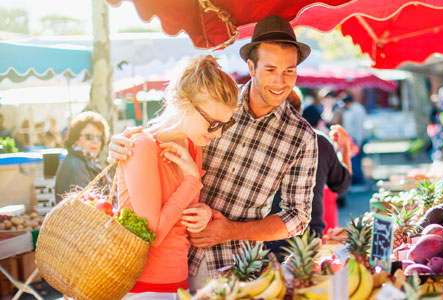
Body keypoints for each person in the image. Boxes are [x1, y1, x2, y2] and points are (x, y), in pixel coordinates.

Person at [107, 15, 318, 291]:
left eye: (289, 71)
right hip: (174, 259)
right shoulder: (216, 103)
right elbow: (164, 136)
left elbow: (298, 217)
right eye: (270, 70)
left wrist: (231, 229)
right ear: (252, 68)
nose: (280, 81)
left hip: (236, 266)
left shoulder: (302, 137)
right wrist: (122, 145)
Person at [117, 55, 239, 299]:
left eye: (225, 125)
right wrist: (192, 181)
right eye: (213, 124)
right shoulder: (142, 147)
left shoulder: (194, 147)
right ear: (185, 104)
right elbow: (153, 233)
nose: (218, 134)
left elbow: (178, 214)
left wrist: (204, 214)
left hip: (178, 283)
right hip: (142, 287)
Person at [265, 89, 352, 259]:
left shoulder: (259, 142)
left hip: (263, 242)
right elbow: (342, 184)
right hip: (308, 244)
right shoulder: (319, 141)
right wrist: (345, 149)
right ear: (300, 110)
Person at [54, 112, 110, 203]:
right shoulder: (75, 166)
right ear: (75, 138)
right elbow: (85, 208)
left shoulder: (87, 162)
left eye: (99, 137)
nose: (95, 141)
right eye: (89, 136)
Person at [341, 92, 367, 185]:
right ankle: (357, 181)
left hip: (356, 139)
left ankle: (359, 181)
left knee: (356, 161)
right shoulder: (350, 110)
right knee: (354, 161)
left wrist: (358, 141)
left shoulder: (357, 110)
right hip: (351, 138)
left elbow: (359, 127)